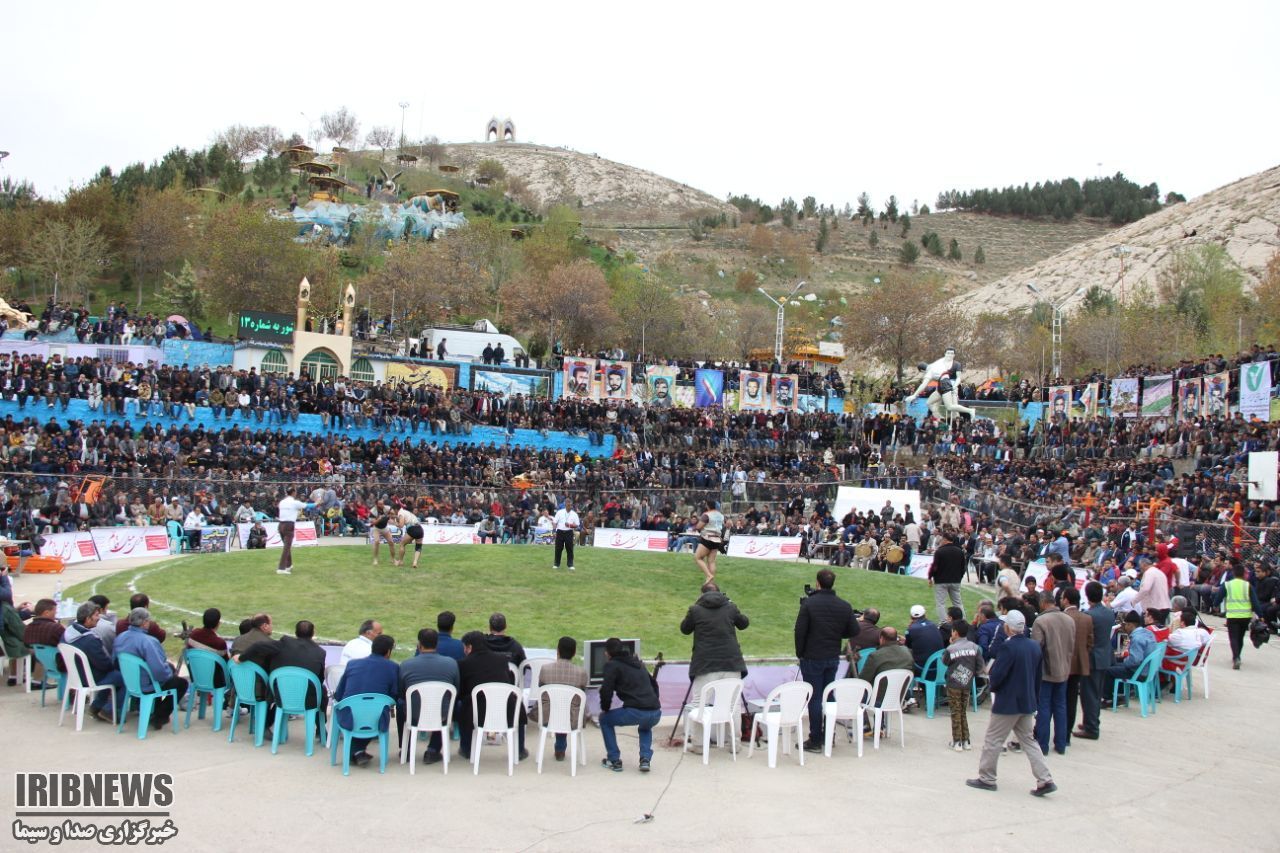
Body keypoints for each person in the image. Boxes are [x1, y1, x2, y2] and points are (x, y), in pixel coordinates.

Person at [966, 610, 1057, 797]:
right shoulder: (1033, 646)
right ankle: (1045, 778)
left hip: (1008, 702)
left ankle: (987, 777)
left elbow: (998, 675)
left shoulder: (1008, 648)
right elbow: (1038, 676)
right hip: (1027, 700)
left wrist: (993, 685)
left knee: (993, 739)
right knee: (1028, 741)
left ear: (1007, 627)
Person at [794, 568, 857, 752]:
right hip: (831, 656)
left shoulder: (809, 604)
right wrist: (837, 633)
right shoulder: (843, 605)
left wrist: (801, 653)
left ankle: (816, 739)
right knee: (828, 695)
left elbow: (800, 631)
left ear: (818, 583)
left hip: (813, 657)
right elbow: (853, 630)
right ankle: (828, 735)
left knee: (815, 698)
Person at [680, 581, 748, 745]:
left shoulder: (696, 609)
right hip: (731, 661)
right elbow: (744, 623)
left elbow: (685, 629)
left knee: (699, 704)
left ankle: (698, 743)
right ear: (720, 593)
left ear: (701, 594)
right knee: (733, 705)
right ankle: (735, 743)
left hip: (705, 663)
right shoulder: (730, 607)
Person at [457, 631, 527, 761]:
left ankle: (466, 748)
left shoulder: (463, 664)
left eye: (465, 647)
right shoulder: (501, 660)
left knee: (463, 705)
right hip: (505, 707)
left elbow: (462, 692)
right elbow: (507, 683)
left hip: (478, 712)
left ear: (470, 647)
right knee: (518, 704)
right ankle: (520, 749)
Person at [114, 607, 188, 730]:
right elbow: (159, 671)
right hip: (146, 684)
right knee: (181, 683)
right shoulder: (148, 641)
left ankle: (152, 710)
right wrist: (170, 674)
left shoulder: (120, 638)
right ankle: (160, 716)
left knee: (165, 671)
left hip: (129, 681)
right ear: (144, 623)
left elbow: (115, 660)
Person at [333, 634, 399, 767]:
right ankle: (357, 751)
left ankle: (356, 751)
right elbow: (393, 697)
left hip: (349, 714)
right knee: (374, 712)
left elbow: (339, 694)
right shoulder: (393, 667)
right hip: (375, 718)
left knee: (366, 711)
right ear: (388, 652)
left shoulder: (352, 664)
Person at [597, 637, 662, 772]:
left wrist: (606, 708)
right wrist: (653, 702)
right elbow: (654, 684)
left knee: (604, 719)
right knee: (645, 727)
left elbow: (606, 690)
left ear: (607, 653)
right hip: (655, 712)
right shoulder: (638, 663)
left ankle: (614, 759)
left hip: (635, 711)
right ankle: (645, 759)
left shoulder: (612, 665)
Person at [398, 628, 459, 766]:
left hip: (415, 714)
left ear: (419, 645)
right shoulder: (451, 663)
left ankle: (406, 749)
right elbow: (456, 691)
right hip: (441, 714)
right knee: (453, 704)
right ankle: (432, 749)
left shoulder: (406, 665)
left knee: (401, 703)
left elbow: (402, 693)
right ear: (436, 644)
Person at [243, 620, 328, 713]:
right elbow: (319, 680)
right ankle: (320, 726)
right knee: (322, 690)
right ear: (313, 633)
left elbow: (257, 646)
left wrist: (240, 658)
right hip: (305, 698)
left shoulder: (284, 643)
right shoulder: (320, 652)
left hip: (280, 695)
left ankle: (270, 722)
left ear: (296, 633)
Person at [60, 602, 124, 721]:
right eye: (96, 615)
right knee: (123, 677)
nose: (98, 618)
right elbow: (105, 665)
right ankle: (109, 710)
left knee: (112, 674)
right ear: (87, 618)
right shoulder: (90, 640)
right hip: (88, 677)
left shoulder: (67, 632)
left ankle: (96, 706)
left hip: (75, 675)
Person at [1031, 591, 1075, 756]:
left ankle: (1043, 745)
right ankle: (1061, 743)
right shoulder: (1069, 619)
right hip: (1064, 669)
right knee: (1060, 706)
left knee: (1044, 708)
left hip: (1046, 671)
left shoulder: (1041, 621)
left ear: (1042, 603)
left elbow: (1036, 648)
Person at [537, 636, 588, 762]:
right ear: (574, 653)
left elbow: (541, 690)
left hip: (548, 716)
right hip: (572, 717)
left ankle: (560, 748)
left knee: (562, 706)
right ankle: (560, 748)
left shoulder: (545, 669)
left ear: (557, 651)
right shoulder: (581, 673)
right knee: (568, 707)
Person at [1074, 582, 1114, 741]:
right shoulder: (1108, 613)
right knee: (1096, 693)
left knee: (1089, 694)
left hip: (1092, 658)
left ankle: (1091, 726)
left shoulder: (1089, 616)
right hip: (1104, 656)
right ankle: (1091, 722)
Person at [1059, 588, 1094, 744]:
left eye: (1061, 597)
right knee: (1071, 700)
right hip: (1078, 664)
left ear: (1066, 600)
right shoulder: (1087, 618)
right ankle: (1065, 736)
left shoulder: (1062, 617)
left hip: (1062, 663)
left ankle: (1061, 735)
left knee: (1059, 700)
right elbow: (1090, 642)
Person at [943, 621, 984, 751]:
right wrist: (971, 674)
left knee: (955, 711)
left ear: (954, 632)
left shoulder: (951, 649)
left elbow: (945, 661)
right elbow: (980, 666)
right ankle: (966, 740)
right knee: (963, 711)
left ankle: (957, 741)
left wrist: (951, 645)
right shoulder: (974, 647)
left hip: (953, 683)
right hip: (967, 683)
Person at [1101, 612, 1157, 702]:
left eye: (1126, 625)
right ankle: (1115, 693)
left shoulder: (1137, 638)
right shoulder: (1148, 633)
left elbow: (1134, 661)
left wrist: (1125, 660)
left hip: (1139, 672)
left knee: (1108, 671)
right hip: (1148, 670)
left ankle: (1108, 699)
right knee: (1115, 664)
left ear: (1130, 625)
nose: (1125, 628)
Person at [1223, 564, 1260, 670]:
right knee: (1240, 637)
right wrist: (1260, 615)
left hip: (1232, 615)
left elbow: (1218, 597)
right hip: (1245, 616)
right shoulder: (1248, 585)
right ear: (1244, 574)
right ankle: (1238, 655)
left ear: (1233, 573)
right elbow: (1255, 601)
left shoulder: (1227, 584)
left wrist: (1216, 604)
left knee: (1233, 637)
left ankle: (1236, 657)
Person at [929, 530, 968, 621]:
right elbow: (963, 567)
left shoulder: (939, 551)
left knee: (941, 603)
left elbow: (934, 566)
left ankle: (944, 623)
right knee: (958, 603)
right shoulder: (959, 551)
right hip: (955, 580)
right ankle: (962, 621)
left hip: (941, 581)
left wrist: (930, 576)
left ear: (945, 540)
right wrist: (960, 577)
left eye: (942, 539)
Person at [276, 487, 311, 576]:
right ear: (293, 493)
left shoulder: (282, 502)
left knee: (287, 546)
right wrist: (317, 503)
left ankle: (289, 565)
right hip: (289, 525)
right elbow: (308, 506)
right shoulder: (295, 502)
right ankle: (281, 568)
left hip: (280, 525)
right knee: (287, 547)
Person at [693, 499, 726, 583]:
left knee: (698, 558)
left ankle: (708, 575)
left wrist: (697, 527)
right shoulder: (721, 515)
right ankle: (710, 581)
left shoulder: (706, 515)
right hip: (717, 539)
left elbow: (699, 527)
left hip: (707, 538)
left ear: (708, 506)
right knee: (711, 561)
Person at [905, 604, 944, 672]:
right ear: (925, 615)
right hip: (940, 666)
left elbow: (908, 646)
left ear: (911, 617)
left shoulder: (910, 629)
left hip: (922, 668)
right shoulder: (934, 625)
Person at [552, 499, 579, 571]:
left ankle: (570, 564)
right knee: (558, 549)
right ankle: (556, 564)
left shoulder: (574, 514)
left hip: (569, 532)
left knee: (569, 549)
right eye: (568, 505)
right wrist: (554, 531)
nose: (569, 506)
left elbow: (577, 525)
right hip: (560, 532)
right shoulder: (559, 512)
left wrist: (570, 525)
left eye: (570, 505)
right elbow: (554, 522)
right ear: (565, 505)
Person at [368, 501, 396, 567]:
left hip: (385, 528)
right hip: (376, 528)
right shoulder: (373, 511)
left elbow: (393, 513)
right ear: (376, 504)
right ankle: (375, 559)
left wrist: (392, 516)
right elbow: (373, 523)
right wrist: (379, 519)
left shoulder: (387, 508)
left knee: (391, 542)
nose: (382, 505)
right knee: (377, 542)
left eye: (383, 503)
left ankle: (393, 559)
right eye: (380, 504)